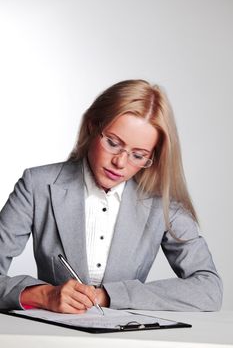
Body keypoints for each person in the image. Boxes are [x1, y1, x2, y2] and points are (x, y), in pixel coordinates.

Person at [0, 79, 223, 313]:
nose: (120, 162)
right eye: (113, 143)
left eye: (138, 155)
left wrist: (107, 296)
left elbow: (209, 289)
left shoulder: (162, 203)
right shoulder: (37, 185)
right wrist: (42, 295)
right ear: (91, 126)